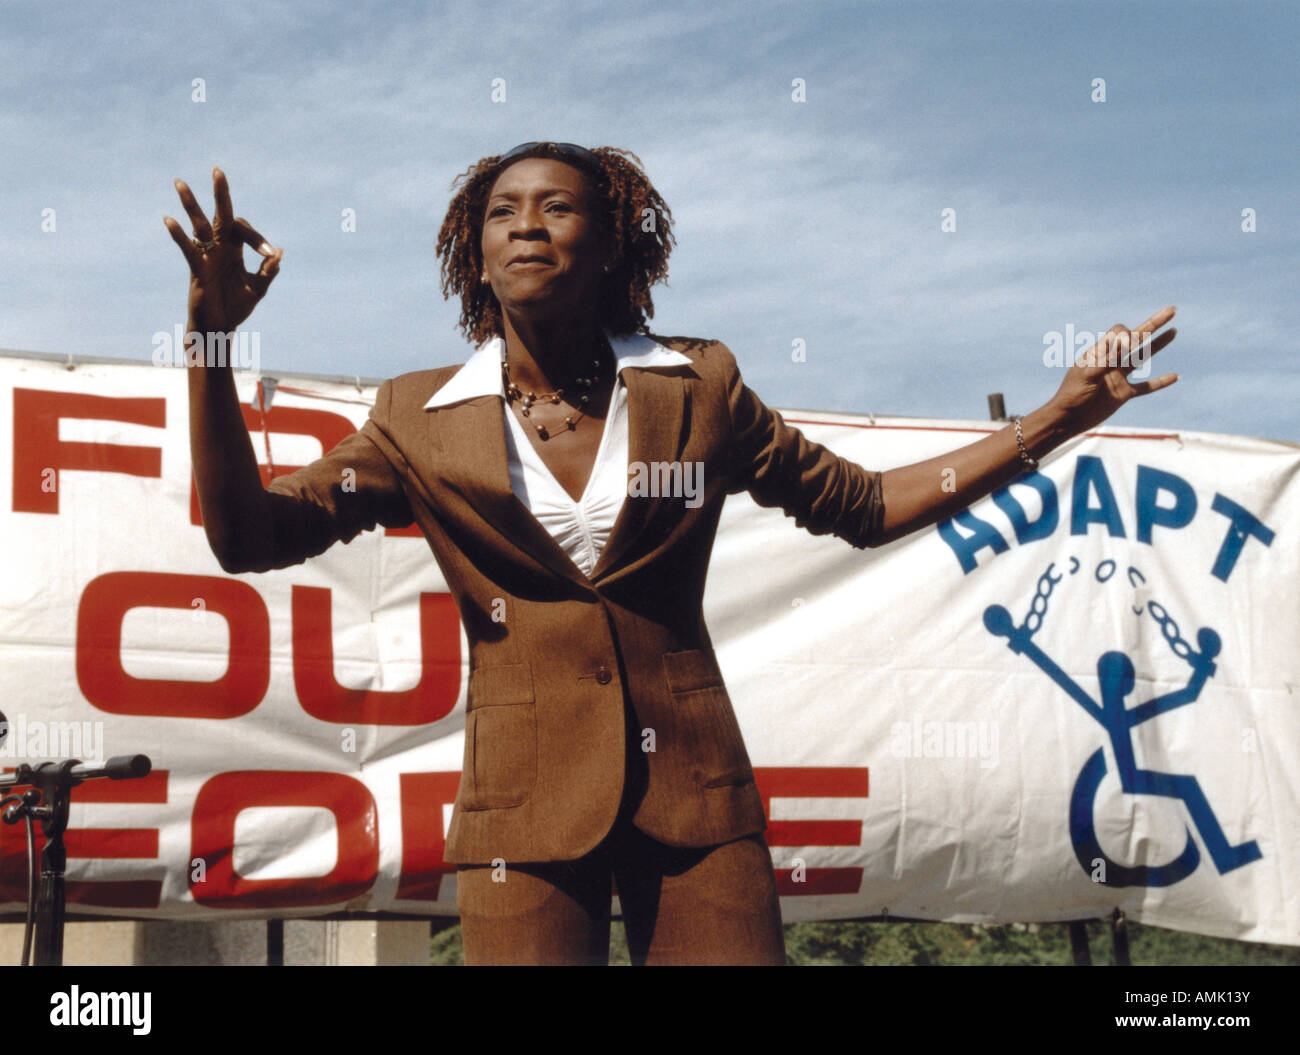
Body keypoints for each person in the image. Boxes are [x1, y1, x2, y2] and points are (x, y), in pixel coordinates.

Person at [164, 142, 1179, 965]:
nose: (526, 222)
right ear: (474, 256)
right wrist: (210, 345)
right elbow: (247, 535)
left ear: (610, 246)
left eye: (558, 207)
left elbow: (863, 504)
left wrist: (1052, 419)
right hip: (523, 803)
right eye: (502, 210)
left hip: (694, 792)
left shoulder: (701, 384)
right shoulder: (413, 418)